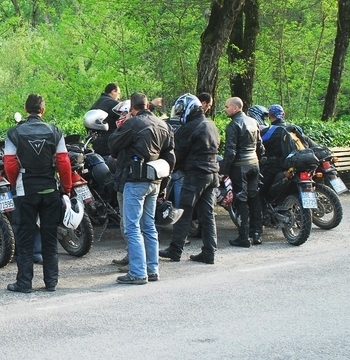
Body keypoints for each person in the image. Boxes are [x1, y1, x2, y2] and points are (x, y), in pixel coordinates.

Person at [3, 94, 73, 293]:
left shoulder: (14, 133)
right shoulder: (55, 131)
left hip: (26, 190)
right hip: (50, 188)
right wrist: (66, 188)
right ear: (43, 110)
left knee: (25, 236)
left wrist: (15, 182)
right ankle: (51, 282)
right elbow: (64, 163)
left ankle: (24, 283)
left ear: (26, 110)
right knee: (49, 237)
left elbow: (9, 163)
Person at [108, 92, 175, 284]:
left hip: (134, 180)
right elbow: (170, 157)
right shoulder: (164, 125)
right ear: (147, 105)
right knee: (149, 226)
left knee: (132, 227)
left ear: (132, 109)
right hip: (155, 179)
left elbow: (112, 145)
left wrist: (123, 123)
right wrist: (164, 183)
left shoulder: (133, 124)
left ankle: (137, 272)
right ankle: (152, 269)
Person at [159, 94, 220, 264]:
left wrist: (171, 168)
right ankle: (209, 252)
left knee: (183, 212)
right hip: (212, 174)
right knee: (208, 215)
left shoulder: (189, 127)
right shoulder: (211, 124)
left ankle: (175, 250)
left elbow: (178, 154)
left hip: (195, 175)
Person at [221, 97, 264, 247]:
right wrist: (257, 160)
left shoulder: (233, 125)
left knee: (241, 200)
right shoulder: (253, 121)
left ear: (235, 108)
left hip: (240, 165)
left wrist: (224, 171)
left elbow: (230, 152)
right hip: (254, 164)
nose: (225, 109)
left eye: (226, 107)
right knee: (254, 197)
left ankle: (244, 237)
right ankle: (257, 233)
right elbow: (260, 147)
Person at [90, 83, 121, 157]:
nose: (119, 97)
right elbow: (133, 111)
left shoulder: (97, 103)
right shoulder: (111, 104)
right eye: (118, 94)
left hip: (96, 145)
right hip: (108, 146)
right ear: (113, 91)